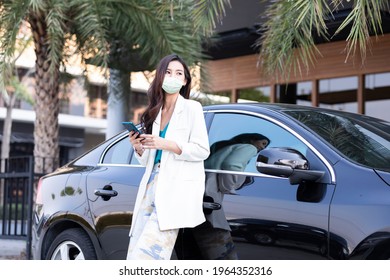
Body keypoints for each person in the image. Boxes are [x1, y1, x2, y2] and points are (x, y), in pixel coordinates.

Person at [126, 54, 210, 260]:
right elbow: (149, 160)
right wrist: (138, 148)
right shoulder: (154, 112)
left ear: (185, 81)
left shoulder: (192, 108)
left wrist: (169, 145)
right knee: (134, 251)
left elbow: (202, 150)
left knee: (148, 258)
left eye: (179, 73)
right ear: (161, 78)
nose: (173, 77)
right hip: (151, 185)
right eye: (168, 72)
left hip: (174, 191)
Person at [191, 133, 270, 260]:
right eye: (263, 143)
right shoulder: (249, 148)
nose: (262, 148)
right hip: (213, 196)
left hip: (199, 194)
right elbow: (232, 166)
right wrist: (230, 187)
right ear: (252, 140)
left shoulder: (223, 146)